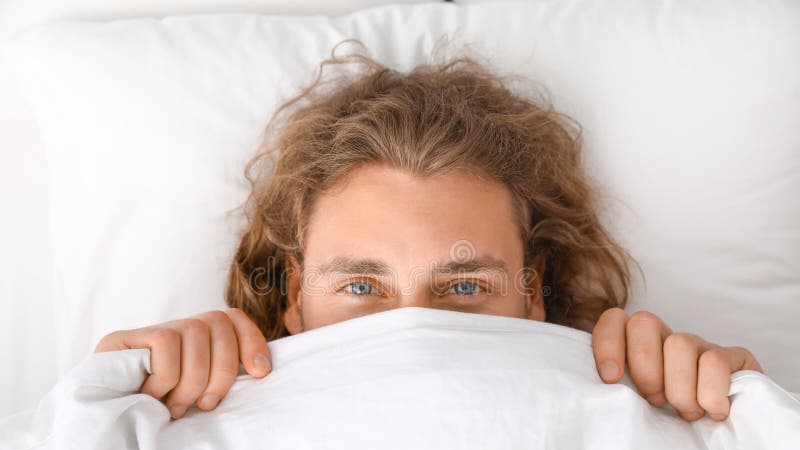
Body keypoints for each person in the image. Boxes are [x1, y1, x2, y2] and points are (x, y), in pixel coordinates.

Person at [94, 40, 763, 422]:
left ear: (532, 297)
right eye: (360, 284)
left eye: (465, 284)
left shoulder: (629, 422)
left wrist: (733, 415)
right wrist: (116, 402)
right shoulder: (185, 428)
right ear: (295, 297)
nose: (411, 330)